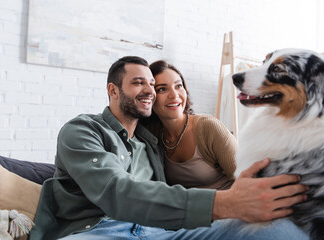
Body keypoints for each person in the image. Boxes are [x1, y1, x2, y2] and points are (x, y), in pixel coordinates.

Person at [29, 56, 309, 240]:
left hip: (157, 233)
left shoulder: (151, 143)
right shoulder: (82, 130)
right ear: (113, 91)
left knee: (283, 231)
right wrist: (223, 203)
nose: (150, 90)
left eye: (152, 84)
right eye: (139, 83)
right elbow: (117, 191)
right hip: (98, 231)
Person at [141, 60, 236, 190]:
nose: (174, 95)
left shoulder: (208, 127)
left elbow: (245, 179)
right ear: (150, 97)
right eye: (162, 89)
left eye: (178, 86)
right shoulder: (151, 135)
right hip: (189, 208)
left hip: (228, 204)